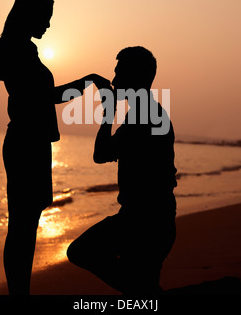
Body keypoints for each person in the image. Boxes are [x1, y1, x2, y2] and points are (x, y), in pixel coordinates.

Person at [0, 0, 109, 295]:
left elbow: (48, 97)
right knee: (22, 226)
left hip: (31, 142)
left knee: (25, 224)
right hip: (26, 144)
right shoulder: (18, 49)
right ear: (29, 15)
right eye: (45, 17)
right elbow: (49, 96)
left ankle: (21, 292)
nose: (48, 24)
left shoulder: (20, 48)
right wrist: (90, 82)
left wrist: (89, 82)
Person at [67, 46, 177, 294]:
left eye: (119, 74)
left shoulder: (143, 116)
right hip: (155, 220)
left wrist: (108, 113)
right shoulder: (147, 112)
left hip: (142, 222)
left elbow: (101, 154)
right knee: (142, 292)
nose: (114, 81)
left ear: (135, 77)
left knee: (80, 251)